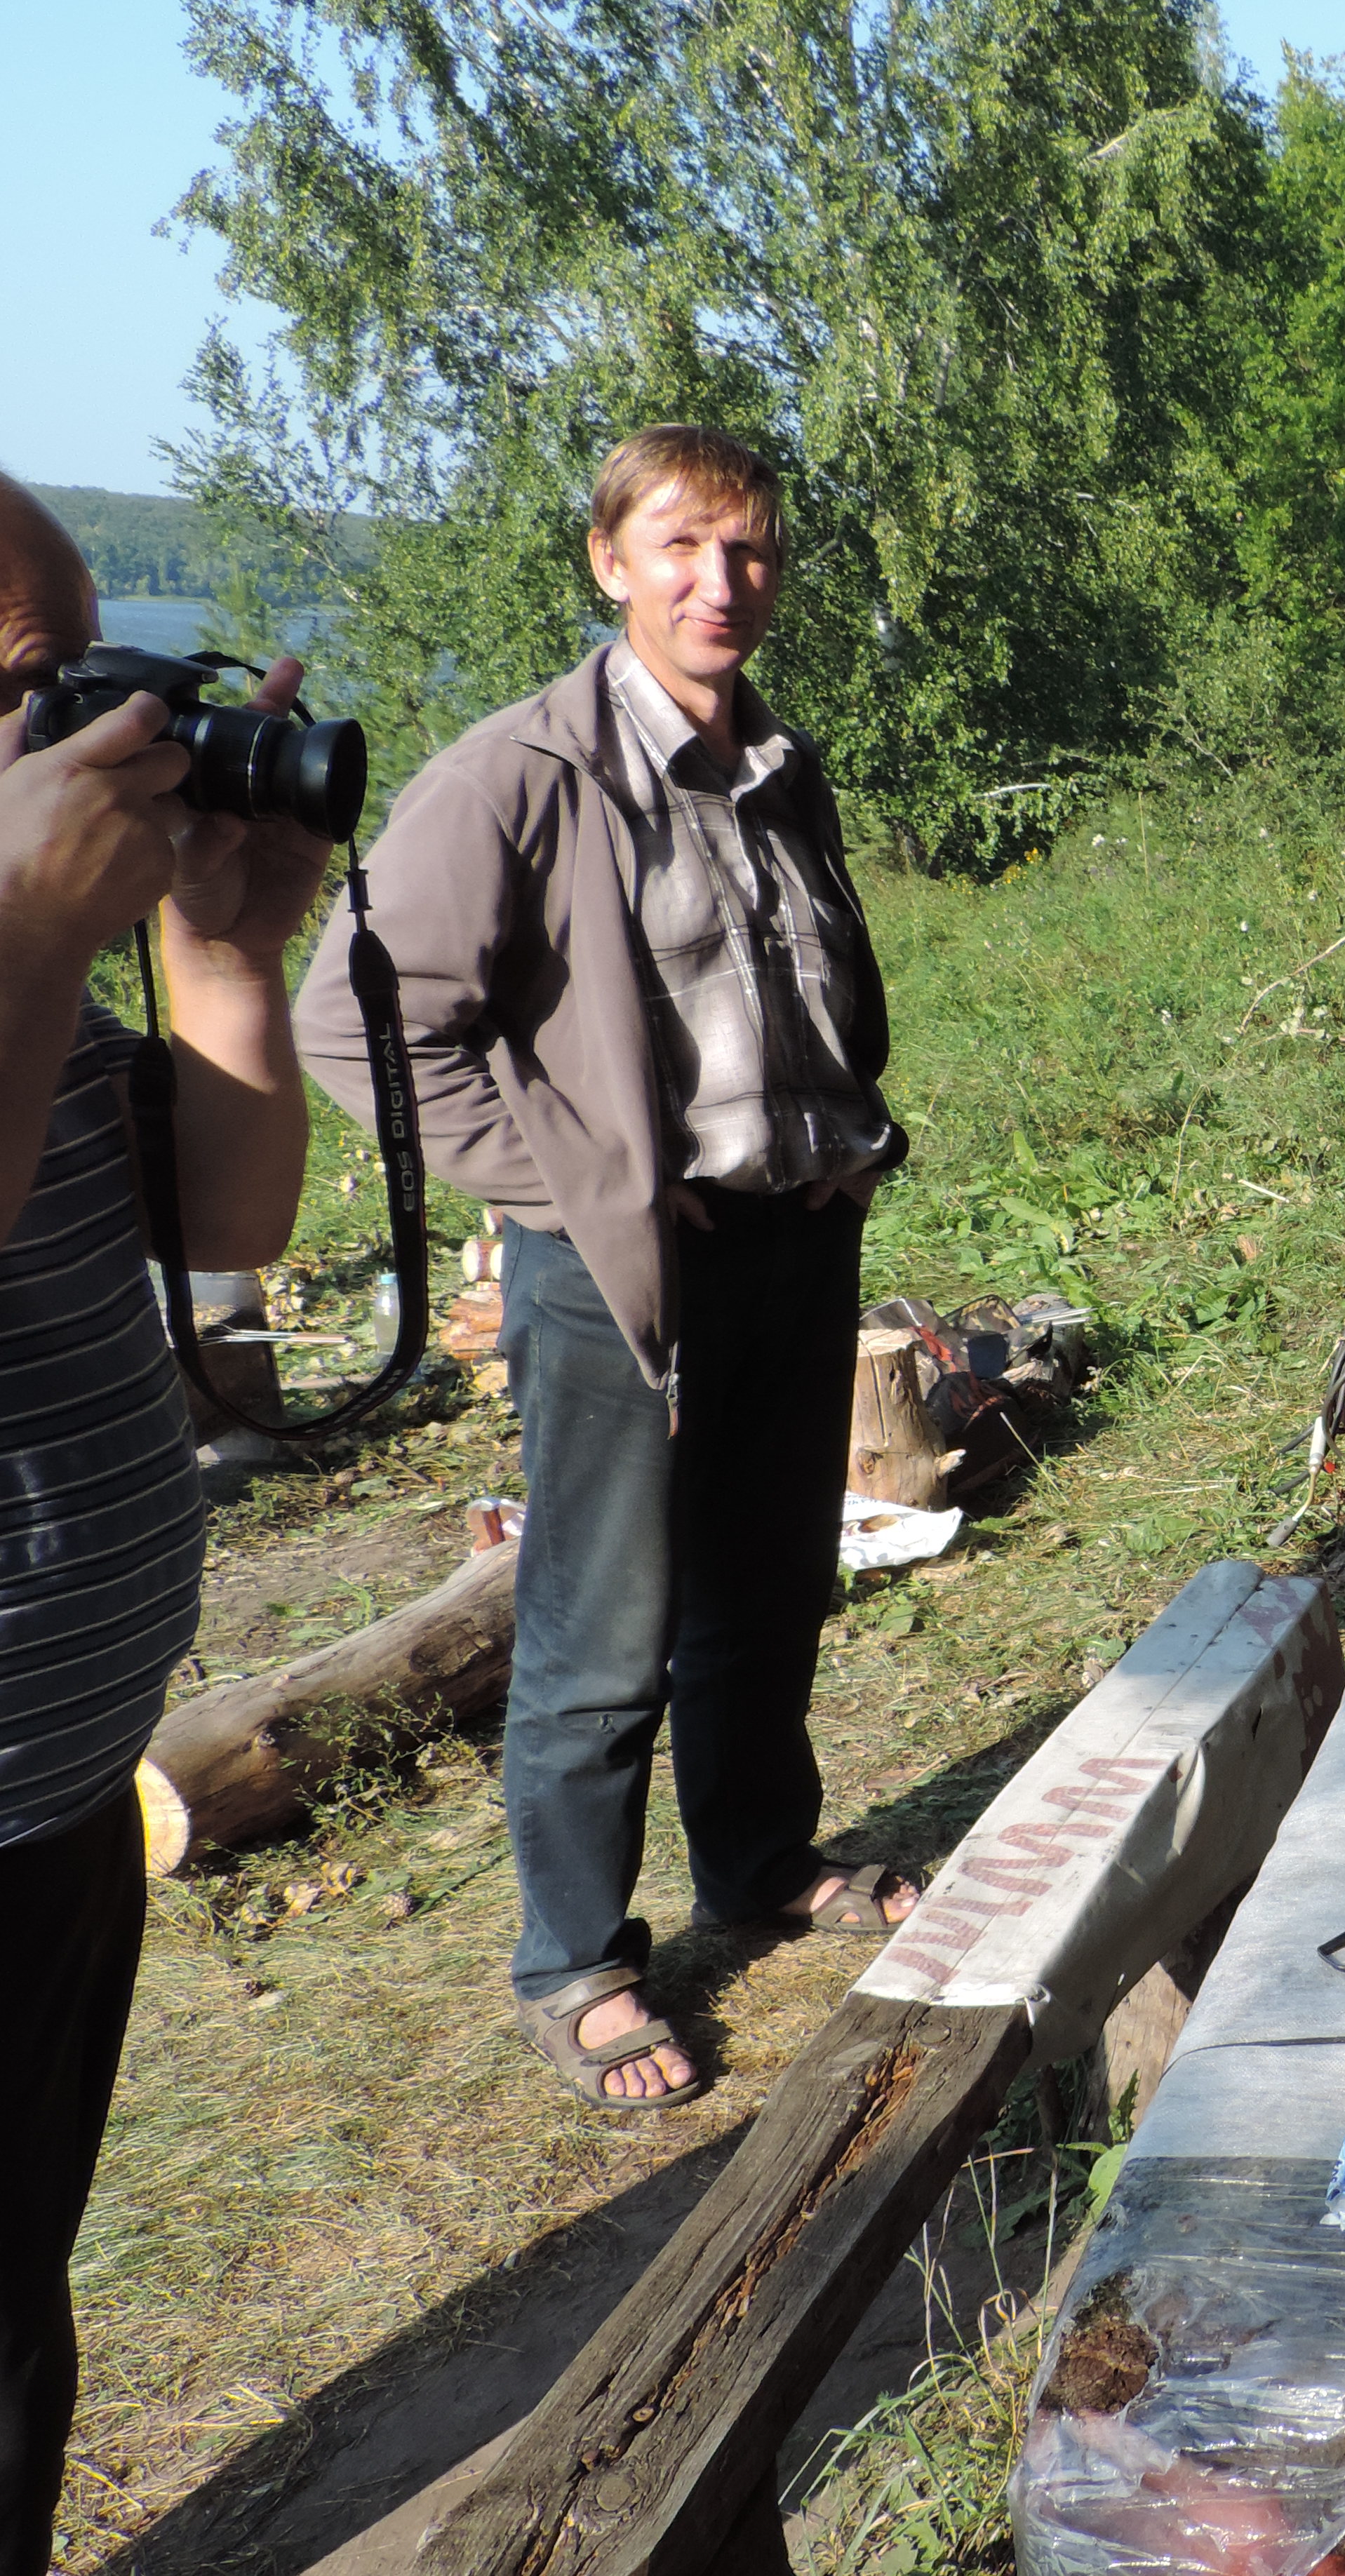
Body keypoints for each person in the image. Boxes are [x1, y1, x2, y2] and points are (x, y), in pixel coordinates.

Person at [298, 427, 918, 2111]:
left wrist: (849, 1137)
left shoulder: (779, 761)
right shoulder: (519, 772)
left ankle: (759, 1865)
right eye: (680, 545)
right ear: (609, 561)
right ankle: (574, 1965)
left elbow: (803, 988)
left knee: (767, 1586)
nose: (722, 581)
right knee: (603, 1627)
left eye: (751, 549)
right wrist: (562, 1188)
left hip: (790, 1234)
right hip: (619, 1269)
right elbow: (357, 1022)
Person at [0, 479, 325, 2570]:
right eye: (38, 692)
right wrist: (33, 927)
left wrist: (221, 947)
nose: (91, 729)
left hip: (55, 1781)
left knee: (16, 2308)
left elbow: (224, 1218)